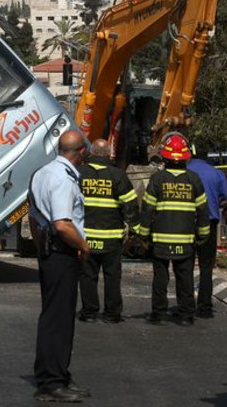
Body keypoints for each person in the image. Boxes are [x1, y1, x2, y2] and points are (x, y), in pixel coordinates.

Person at [29, 130, 92, 403]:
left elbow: (33, 215)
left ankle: (57, 374)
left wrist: (39, 246)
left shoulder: (41, 173)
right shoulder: (63, 180)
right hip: (62, 252)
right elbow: (63, 224)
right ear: (80, 153)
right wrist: (84, 246)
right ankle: (52, 382)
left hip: (48, 251)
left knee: (54, 317)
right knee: (59, 320)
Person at [134, 132, 210, 326]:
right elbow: (202, 210)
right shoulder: (194, 179)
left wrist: (143, 235)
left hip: (160, 240)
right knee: (184, 277)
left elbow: (147, 209)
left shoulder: (157, 179)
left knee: (160, 277)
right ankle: (186, 315)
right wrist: (203, 234)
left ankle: (158, 314)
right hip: (185, 240)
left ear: (164, 156)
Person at [77, 139, 138, 324]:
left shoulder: (80, 174)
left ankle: (89, 312)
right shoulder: (117, 175)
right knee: (112, 276)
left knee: (88, 276)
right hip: (111, 239)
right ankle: (112, 314)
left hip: (85, 237)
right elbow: (130, 206)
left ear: (91, 153)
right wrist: (137, 230)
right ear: (109, 154)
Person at [186, 145, 227, 319]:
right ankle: (204, 307)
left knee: (186, 265)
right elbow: (226, 198)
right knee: (206, 266)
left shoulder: (183, 170)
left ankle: (186, 305)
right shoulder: (216, 173)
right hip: (209, 223)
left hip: (186, 223)